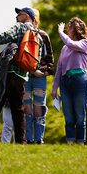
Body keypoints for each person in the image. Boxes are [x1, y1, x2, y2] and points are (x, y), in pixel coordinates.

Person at [0, 7, 42, 144]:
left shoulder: (20, 27)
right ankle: (21, 141)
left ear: (26, 16)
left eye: (19, 14)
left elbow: (5, 36)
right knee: (18, 109)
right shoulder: (37, 34)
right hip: (22, 76)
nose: (16, 17)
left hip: (8, 74)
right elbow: (38, 59)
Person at [51, 17, 87, 144]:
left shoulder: (85, 44)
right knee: (68, 117)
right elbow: (59, 68)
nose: (67, 29)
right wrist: (54, 87)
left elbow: (71, 44)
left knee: (80, 116)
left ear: (76, 29)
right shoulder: (64, 48)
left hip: (80, 81)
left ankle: (80, 143)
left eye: (69, 27)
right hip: (65, 82)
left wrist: (60, 32)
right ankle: (70, 143)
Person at [23, 9, 54, 144]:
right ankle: (29, 139)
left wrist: (44, 71)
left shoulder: (43, 35)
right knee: (27, 109)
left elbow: (50, 58)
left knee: (39, 108)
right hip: (25, 77)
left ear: (33, 18)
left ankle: (39, 140)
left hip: (39, 78)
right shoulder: (22, 34)